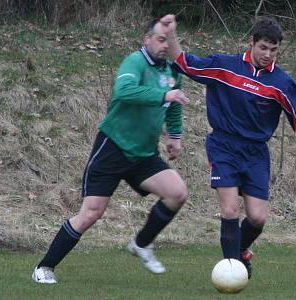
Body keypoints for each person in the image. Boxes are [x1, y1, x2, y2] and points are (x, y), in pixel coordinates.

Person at [160, 14, 296, 279]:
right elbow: (185, 64)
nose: (268, 54)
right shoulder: (225, 66)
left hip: (256, 153)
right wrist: (170, 36)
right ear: (251, 42)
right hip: (224, 146)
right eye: (263, 47)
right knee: (229, 210)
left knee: (258, 218)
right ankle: (230, 272)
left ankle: (239, 251)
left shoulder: (282, 83)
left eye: (273, 50)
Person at [32, 18, 190, 284]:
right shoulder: (135, 62)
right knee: (92, 213)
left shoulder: (173, 70)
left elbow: (175, 104)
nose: (165, 46)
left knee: (177, 193)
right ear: (147, 39)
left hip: (143, 154)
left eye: (169, 40)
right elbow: (124, 90)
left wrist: (175, 136)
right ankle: (44, 268)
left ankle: (141, 244)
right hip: (113, 148)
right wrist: (164, 96)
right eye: (160, 39)